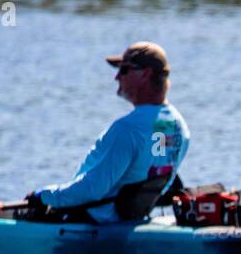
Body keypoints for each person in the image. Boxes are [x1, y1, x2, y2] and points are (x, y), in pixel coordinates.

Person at [10, 41, 190, 221]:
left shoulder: (128, 129)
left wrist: (43, 195)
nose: (117, 77)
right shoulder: (177, 125)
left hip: (94, 223)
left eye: (124, 70)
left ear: (146, 74)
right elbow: (155, 169)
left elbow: (91, 190)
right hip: (133, 218)